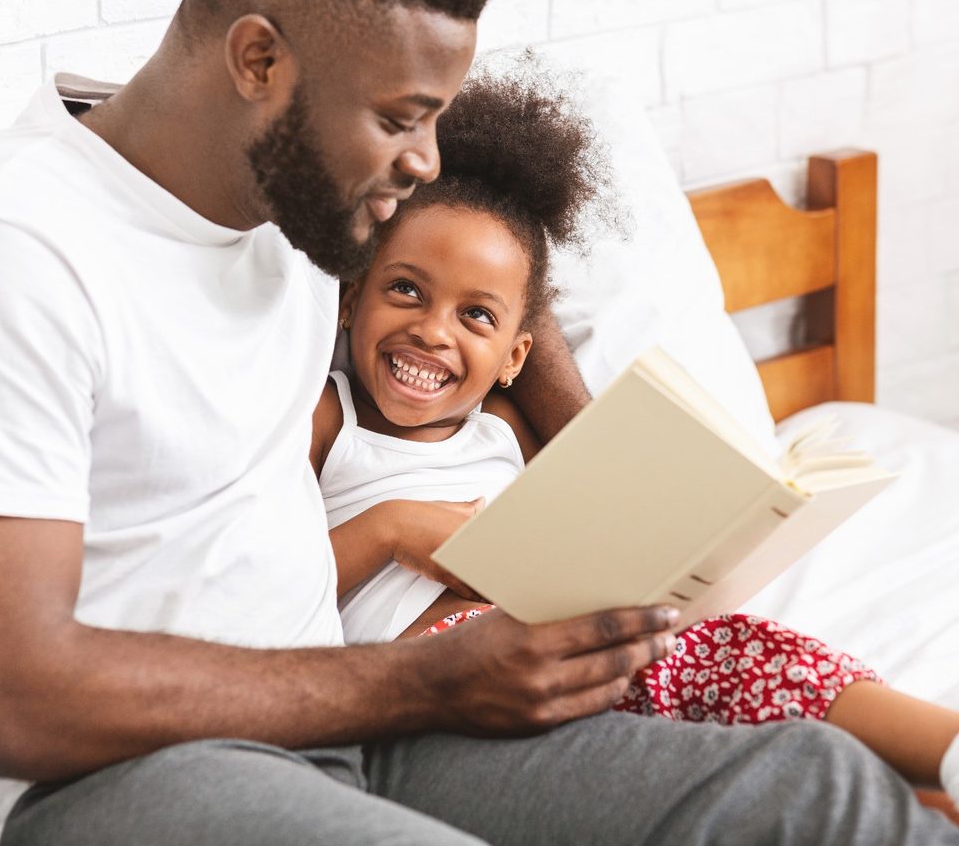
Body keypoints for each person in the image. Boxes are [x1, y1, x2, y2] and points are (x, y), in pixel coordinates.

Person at [0, 0, 956, 846]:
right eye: (401, 119)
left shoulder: (302, 202)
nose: (425, 158)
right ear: (257, 60)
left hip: (351, 720)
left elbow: (493, 281)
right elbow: (1, 700)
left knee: (812, 785)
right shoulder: (16, 244)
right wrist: (420, 677)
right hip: (119, 775)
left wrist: (608, 453)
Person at [312, 64, 959, 816]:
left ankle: (939, 758)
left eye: (477, 318)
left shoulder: (507, 429)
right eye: (406, 291)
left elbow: (576, 528)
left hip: (562, 638)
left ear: (517, 357)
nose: (432, 330)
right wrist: (395, 531)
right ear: (350, 299)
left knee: (732, 647)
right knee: (688, 689)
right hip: (431, 668)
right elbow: (273, 580)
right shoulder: (330, 421)